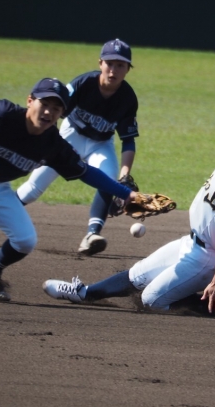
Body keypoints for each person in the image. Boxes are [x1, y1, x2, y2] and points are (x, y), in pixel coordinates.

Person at [43, 84, 215, 315]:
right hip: (190, 244)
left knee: (151, 300)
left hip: (205, 259)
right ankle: (84, 293)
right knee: (137, 275)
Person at [0, 77, 139, 302]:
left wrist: (127, 194)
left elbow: (87, 172)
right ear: (30, 101)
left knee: (25, 241)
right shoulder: (5, 113)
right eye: (44, 104)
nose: (48, 112)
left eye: (56, 108)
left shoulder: (53, 144)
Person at [10, 39, 139, 256]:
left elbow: (128, 140)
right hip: (70, 135)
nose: (113, 70)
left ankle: (92, 235)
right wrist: (46, 143)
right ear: (100, 63)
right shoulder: (83, 84)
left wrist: (124, 174)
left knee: (108, 180)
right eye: (109, 63)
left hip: (101, 143)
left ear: (128, 69)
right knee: (34, 187)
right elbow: (53, 113)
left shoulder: (128, 98)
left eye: (120, 65)